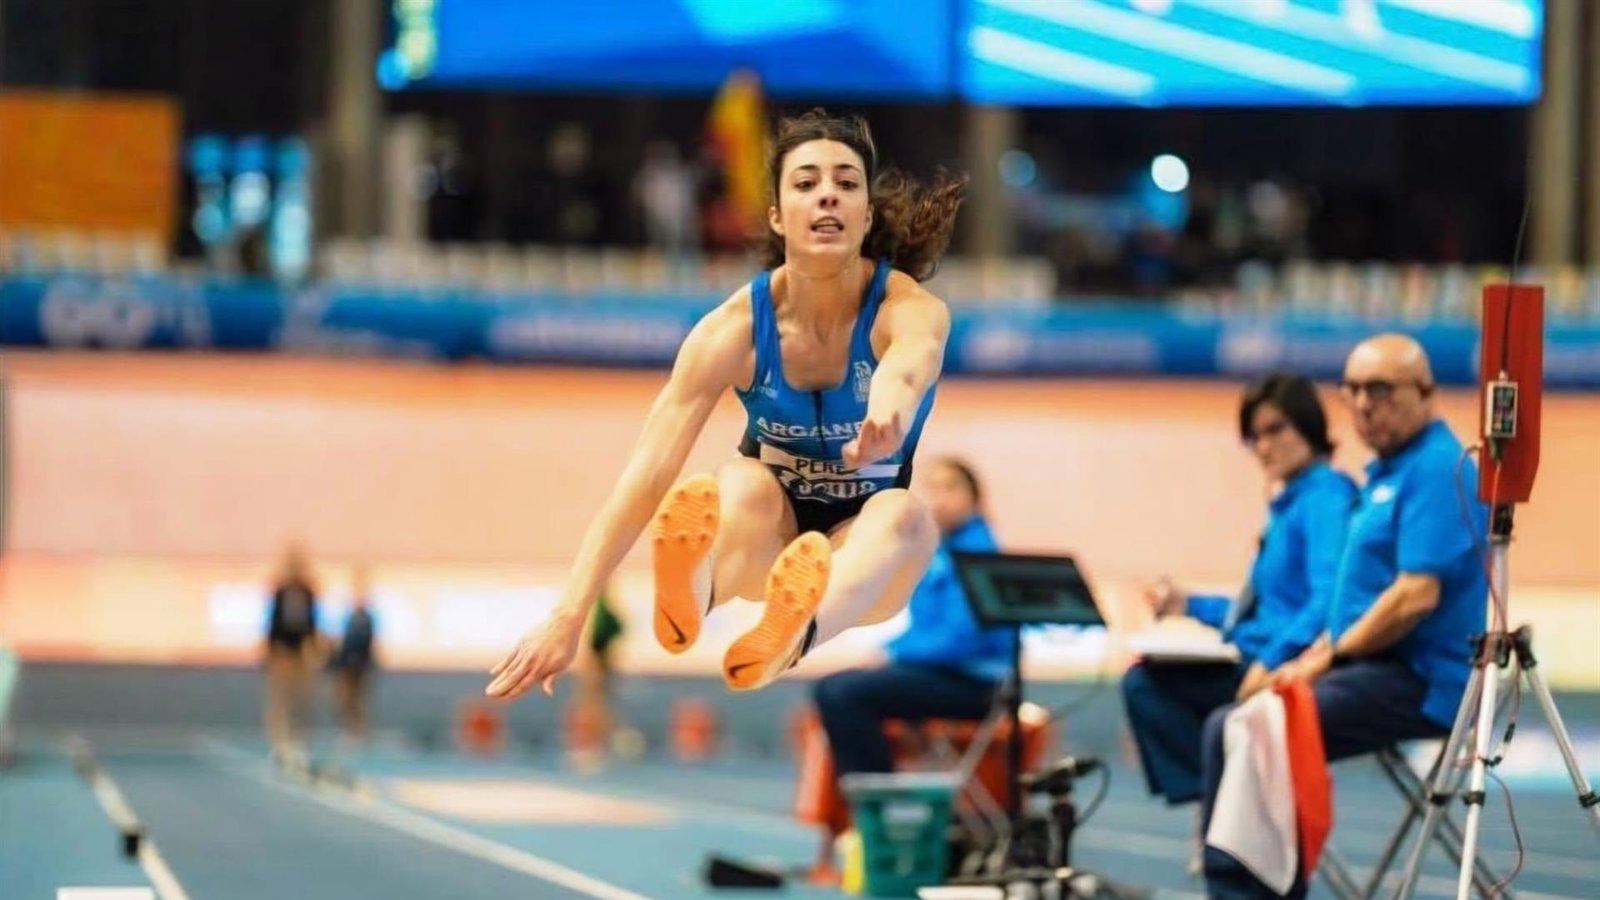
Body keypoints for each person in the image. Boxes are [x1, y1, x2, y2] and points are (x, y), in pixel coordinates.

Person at [487, 109, 966, 699]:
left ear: (866, 216)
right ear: (776, 215)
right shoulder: (732, 330)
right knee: (737, 481)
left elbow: (911, 361)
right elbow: (644, 477)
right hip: (764, 542)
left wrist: (889, 409)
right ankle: (691, 593)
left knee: (904, 515)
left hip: (861, 565)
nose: (827, 198)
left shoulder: (909, 308)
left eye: (846, 184)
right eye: (806, 182)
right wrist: (568, 614)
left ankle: (793, 633)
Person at [1200, 334, 1489, 899]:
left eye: (1379, 390)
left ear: (1426, 393)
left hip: (1421, 681)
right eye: (1352, 390)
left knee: (1257, 730)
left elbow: (1414, 597)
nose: (1362, 404)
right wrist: (1317, 655)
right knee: (1230, 726)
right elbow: (1356, 601)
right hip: (1372, 668)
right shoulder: (1388, 471)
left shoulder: (1436, 467)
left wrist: (1325, 657)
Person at [1122, 374, 1355, 807]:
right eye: (1254, 437)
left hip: (1280, 667)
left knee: (1146, 685)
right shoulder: (1290, 504)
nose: (1263, 447)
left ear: (1308, 424)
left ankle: (1225, 806)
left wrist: (1270, 661)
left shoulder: (1325, 498)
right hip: (1253, 654)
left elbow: (1329, 600)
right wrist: (1188, 604)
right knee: (1147, 681)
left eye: (1275, 430)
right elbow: (1265, 609)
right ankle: (1226, 803)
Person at [812, 456, 1012, 777]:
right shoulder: (938, 551)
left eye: (950, 488)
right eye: (931, 488)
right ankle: (878, 795)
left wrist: (892, 653)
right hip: (941, 675)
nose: (939, 498)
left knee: (841, 693)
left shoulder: (977, 553)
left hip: (976, 685)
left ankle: (878, 800)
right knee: (840, 685)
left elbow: (961, 640)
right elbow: (925, 630)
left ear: (974, 498)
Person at [263, 542, 321, 767]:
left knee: (301, 700)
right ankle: (280, 743)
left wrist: (314, 649)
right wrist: (270, 651)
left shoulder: (308, 591)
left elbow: (312, 622)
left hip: (301, 653)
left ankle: (298, 742)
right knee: (280, 700)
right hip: (281, 653)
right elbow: (272, 623)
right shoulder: (280, 591)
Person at [328, 565, 378, 749]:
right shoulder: (345, 616)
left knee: (358, 699)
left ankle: (358, 731)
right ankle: (349, 729)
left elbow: (368, 641)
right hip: (346, 665)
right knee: (344, 700)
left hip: (359, 666)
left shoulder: (367, 617)